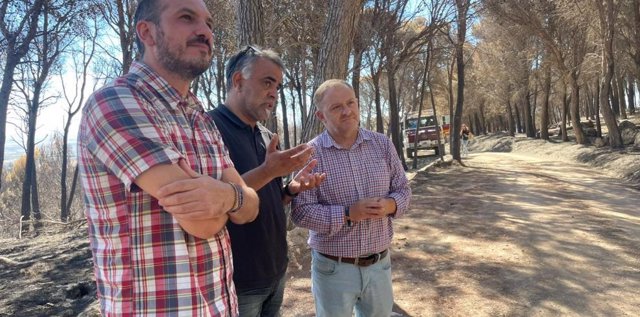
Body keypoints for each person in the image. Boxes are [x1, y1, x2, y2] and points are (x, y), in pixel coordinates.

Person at [77, 0, 259, 315]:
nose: (204, 31)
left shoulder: (200, 117)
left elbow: (251, 205)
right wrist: (233, 199)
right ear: (147, 32)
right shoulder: (114, 103)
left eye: (209, 24)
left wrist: (225, 197)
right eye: (186, 18)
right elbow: (203, 222)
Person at [208, 45, 326, 317]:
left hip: (275, 272)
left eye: (278, 86)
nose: (274, 93)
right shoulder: (209, 129)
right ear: (238, 81)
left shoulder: (265, 134)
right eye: (267, 82)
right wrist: (269, 171)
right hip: (239, 283)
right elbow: (216, 201)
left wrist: (291, 189)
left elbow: (267, 196)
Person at [291, 79, 412, 317]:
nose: (347, 111)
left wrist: (390, 205)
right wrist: (347, 214)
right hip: (333, 269)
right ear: (321, 116)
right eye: (336, 107)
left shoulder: (382, 144)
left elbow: (404, 190)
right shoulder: (310, 155)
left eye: (351, 102)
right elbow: (301, 212)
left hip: (380, 265)